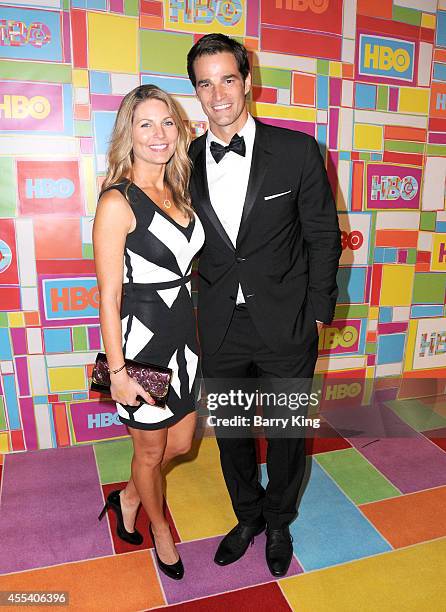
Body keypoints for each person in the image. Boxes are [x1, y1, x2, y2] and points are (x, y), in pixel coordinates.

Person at [187, 34, 341, 577]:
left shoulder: (297, 150)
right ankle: (247, 516)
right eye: (205, 83)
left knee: (286, 436)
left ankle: (279, 521)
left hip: (286, 322)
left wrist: (320, 309)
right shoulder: (183, 163)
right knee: (231, 436)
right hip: (220, 325)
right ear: (197, 93)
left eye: (228, 79)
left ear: (247, 82)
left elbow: (323, 235)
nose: (218, 94)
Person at [93, 84, 204, 580]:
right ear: (128, 134)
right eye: (145, 124)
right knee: (150, 450)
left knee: (179, 443)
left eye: (167, 123)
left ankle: (128, 496)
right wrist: (116, 372)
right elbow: (108, 297)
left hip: (185, 335)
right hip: (140, 341)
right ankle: (159, 528)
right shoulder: (118, 201)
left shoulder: (181, 190)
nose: (158, 134)